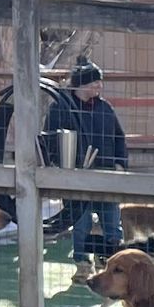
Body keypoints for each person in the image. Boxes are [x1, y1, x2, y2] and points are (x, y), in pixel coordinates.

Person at [46, 61, 129, 284]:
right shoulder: (60, 108)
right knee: (80, 223)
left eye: (100, 82)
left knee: (111, 222)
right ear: (81, 84)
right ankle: (83, 265)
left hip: (106, 174)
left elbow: (119, 138)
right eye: (95, 82)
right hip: (75, 176)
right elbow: (51, 139)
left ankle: (111, 264)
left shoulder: (105, 108)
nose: (99, 87)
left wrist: (121, 163)